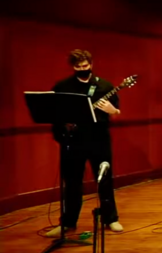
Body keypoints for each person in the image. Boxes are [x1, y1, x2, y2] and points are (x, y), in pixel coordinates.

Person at [47, 49, 124, 237]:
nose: (82, 69)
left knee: (104, 180)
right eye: (78, 66)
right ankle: (68, 222)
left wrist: (113, 110)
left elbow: (117, 113)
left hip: (99, 139)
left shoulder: (105, 86)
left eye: (85, 66)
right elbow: (54, 114)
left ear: (91, 64)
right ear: (73, 67)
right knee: (72, 183)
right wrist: (63, 129)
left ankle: (111, 219)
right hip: (73, 141)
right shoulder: (63, 86)